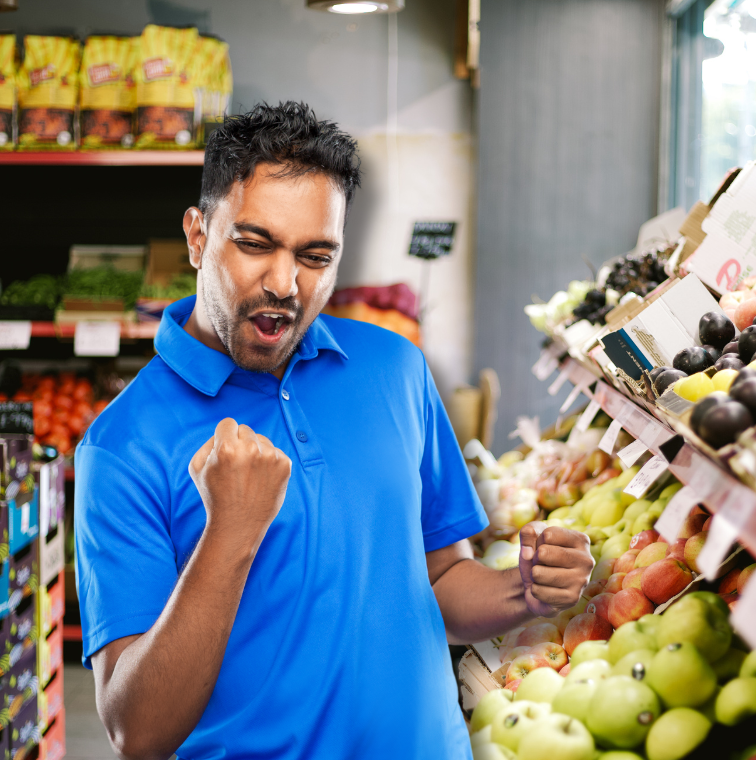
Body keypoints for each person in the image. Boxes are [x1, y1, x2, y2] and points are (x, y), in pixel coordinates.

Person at [75, 101, 595, 760]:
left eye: (315, 255)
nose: (284, 283)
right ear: (197, 235)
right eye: (255, 244)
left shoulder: (395, 369)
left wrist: (525, 589)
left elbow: (440, 579)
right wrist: (229, 535)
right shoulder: (121, 447)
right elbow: (138, 732)